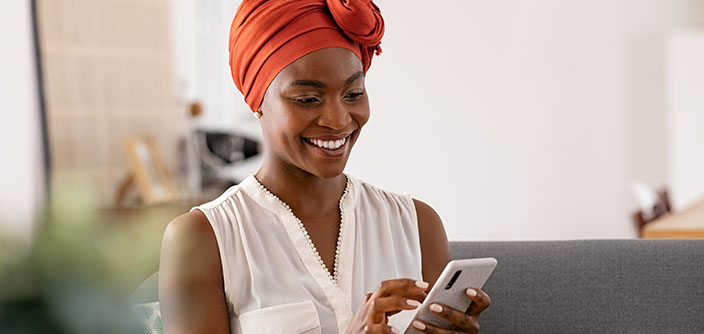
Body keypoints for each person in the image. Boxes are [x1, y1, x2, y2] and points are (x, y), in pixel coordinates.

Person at [158, 0, 491, 333]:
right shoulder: (202, 239)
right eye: (307, 99)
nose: (338, 120)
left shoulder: (418, 225)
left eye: (353, 93)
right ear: (257, 101)